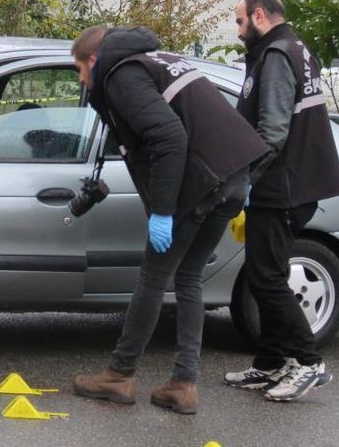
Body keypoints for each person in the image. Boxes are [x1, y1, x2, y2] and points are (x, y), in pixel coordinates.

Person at [70, 26, 269, 415]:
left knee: (153, 278)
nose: (79, 79)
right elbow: (207, 118)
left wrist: (162, 210)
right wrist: (241, 180)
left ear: (94, 59)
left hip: (199, 183)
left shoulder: (123, 75)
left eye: (78, 68)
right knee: (189, 276)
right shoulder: (160, 61)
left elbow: (170, 137)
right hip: (231, 178)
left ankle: (119, 374)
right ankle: (183, 383)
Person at [223, 0, 339, 402]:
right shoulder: (295, 48)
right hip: (292, 183)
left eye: (240, 22)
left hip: (282, 186)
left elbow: (272, 131)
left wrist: (246, 180)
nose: (239, 31)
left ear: (259, 15)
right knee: (265, 272)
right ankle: (271, 363)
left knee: (268, 276)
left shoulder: (276, 55)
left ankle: (308, 362)